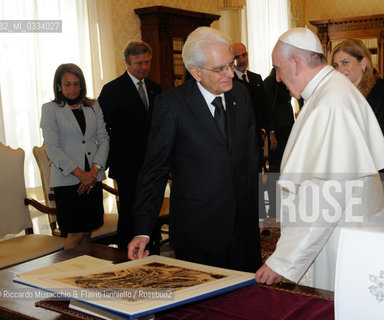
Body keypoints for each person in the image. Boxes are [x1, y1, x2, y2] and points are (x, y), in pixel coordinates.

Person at [255, 27, 384, 291]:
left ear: (295, 63)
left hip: (342, 235)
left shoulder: (330, 103)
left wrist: (281, 261)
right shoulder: (331, 91)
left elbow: (324, 195)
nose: (278, 77)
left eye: (278, 68)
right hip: (348, 226)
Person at [128, 27, 262, 273]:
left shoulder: (241, 95)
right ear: (196, 72)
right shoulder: (171, 106)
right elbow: (154, 172)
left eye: (230, 64)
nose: (231, 73)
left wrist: (264, 211)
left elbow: (252, 158)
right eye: (220, 68)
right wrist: (142, 232)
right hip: (200, 231)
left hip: (244, 228)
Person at [98, 41, 162, 250]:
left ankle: (152, 247)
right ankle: (126, 251)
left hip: (152, 162)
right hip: (126, 163)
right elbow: (101, 128)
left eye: (146, 62)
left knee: (150, 206)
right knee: (129, 210)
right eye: (138, 63)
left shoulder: (155, 88)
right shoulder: (112, 90)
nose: (143, 67)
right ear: (127, 63)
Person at [41, 63, 109, 249]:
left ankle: (85, 274)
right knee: (75, 233)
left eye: (76, 84)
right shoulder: (50, 109)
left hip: (93, 179)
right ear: (59, 86)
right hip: (68, 181)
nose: (73, 89)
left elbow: (103, 139)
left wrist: (93, 172)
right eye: (68, 84)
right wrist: (81, 174)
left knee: (87, 232)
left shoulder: (93, 106)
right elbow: (52, 147)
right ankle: (65, 275)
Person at [331, 39, 384, 165]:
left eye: (345, 62)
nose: (339, 70)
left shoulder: (379, 97)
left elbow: (378, 143)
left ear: (363, 62)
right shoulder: (339, 95)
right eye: (335, 65)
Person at [263, 67, 295, 219]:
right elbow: (267, 109)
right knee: (274, 171)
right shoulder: (269, 83)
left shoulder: (286, 81)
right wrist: (272, 133)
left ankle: (286, 206)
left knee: (288, 169)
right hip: (276, 132)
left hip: (288, 129)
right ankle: (274, 209)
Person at [231, 42, 268, 172]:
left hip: (257, 137)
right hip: (239, 139)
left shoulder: (256, 78)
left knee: (257, 172)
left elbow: (264, 106)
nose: (242, 60)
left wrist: (264, 129)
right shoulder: (229, 82)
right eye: (237, 57)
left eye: (244, 55)